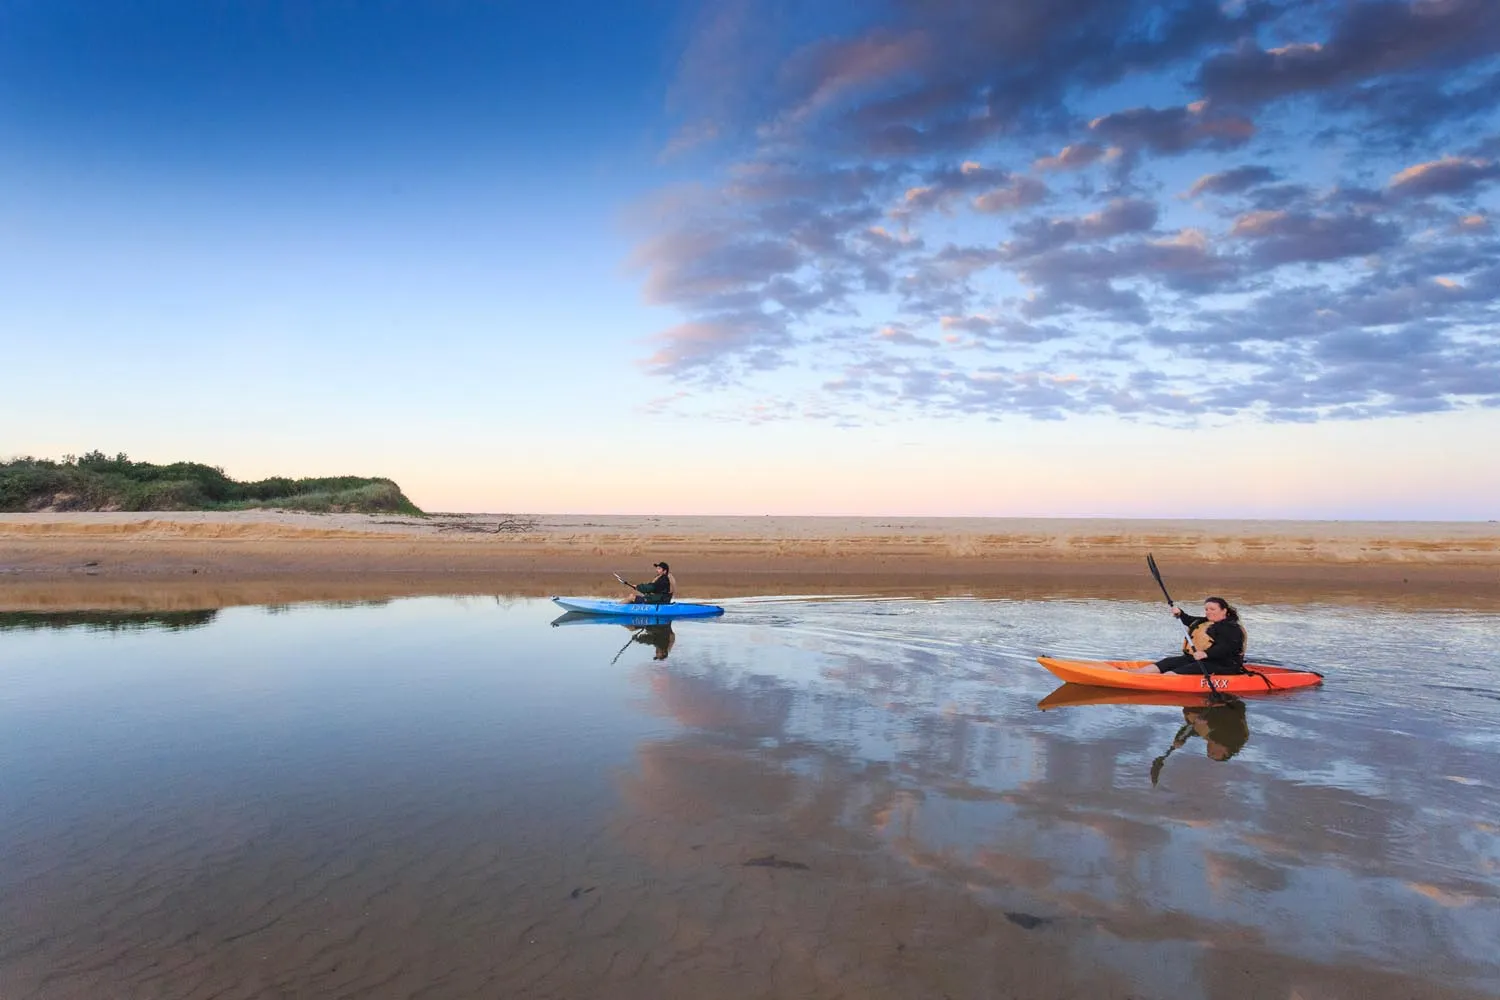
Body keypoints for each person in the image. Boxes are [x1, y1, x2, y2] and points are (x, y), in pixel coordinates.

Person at [1143, 596, 1246, 674]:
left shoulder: (1232, 628)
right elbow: (1189, 619)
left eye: (1212, 609)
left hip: (1223, 665)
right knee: (1168, 662)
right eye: (1206, 609)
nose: (1208, 612)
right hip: (1201, 659)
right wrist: (1180, 613)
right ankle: (1137, 673)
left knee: (1185, 669)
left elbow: (1226, 648)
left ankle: (1164, 679)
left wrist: (1206, 654)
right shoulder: (1204, 622)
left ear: (1224, 611)